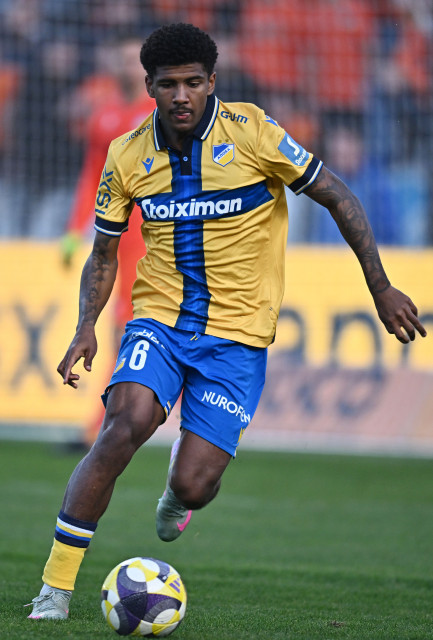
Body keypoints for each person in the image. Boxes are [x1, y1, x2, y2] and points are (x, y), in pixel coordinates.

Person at [26, 23, 427, 621]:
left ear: (212, 82)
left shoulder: (253, 133)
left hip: (237, 337)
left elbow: (337, 195)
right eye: (168, 85)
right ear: (149, 87)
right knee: (122, 424)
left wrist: (381, 287)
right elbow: (104, 252)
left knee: (196, 484)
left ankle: (177, 491)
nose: (181, 95)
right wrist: (87, 325)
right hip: (160, 320)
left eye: (193, 82)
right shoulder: (127, 154)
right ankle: (54, 590)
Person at [61, 36, 155, 446]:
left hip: (155, 237)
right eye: (123, 59)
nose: (127, 66)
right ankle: (106, 422)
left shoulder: (160, 113)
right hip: (117, 239)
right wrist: (73, 229)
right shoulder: (106, 116)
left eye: (135, 60)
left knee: (130, 326)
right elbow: (92, 176)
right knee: (120, 326)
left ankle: (109, 422)